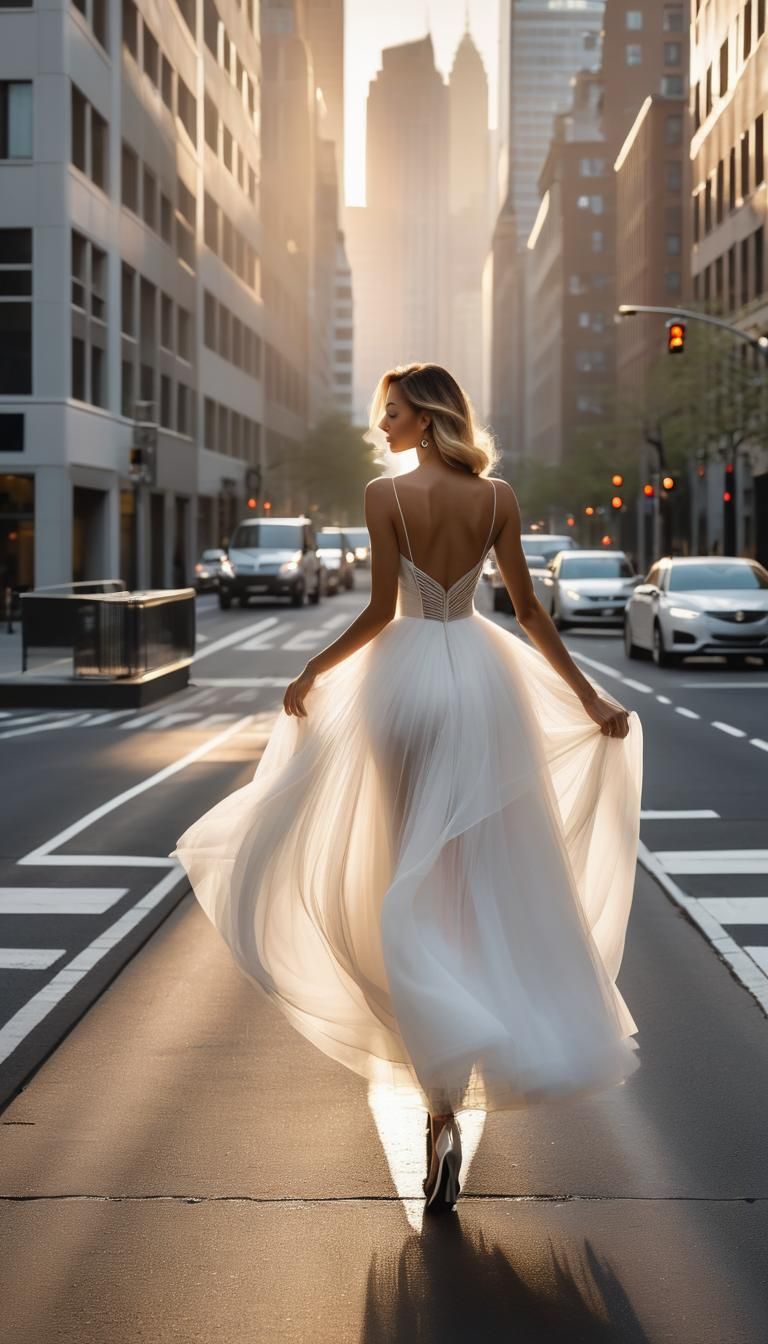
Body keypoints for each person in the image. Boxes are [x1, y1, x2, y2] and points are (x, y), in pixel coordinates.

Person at [172, 363, 642, 1216]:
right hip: (485, 687)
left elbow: (382, 608)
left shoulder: (383, 499)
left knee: (409, 878)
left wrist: (314, 667)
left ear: (425, 420)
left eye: (390, 413)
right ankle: (464, 1062)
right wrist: (589, 698)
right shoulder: (497, 499)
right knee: (476, 879)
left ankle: (437, 1102)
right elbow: (531, 614)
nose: (379, 427)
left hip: (407, 688)